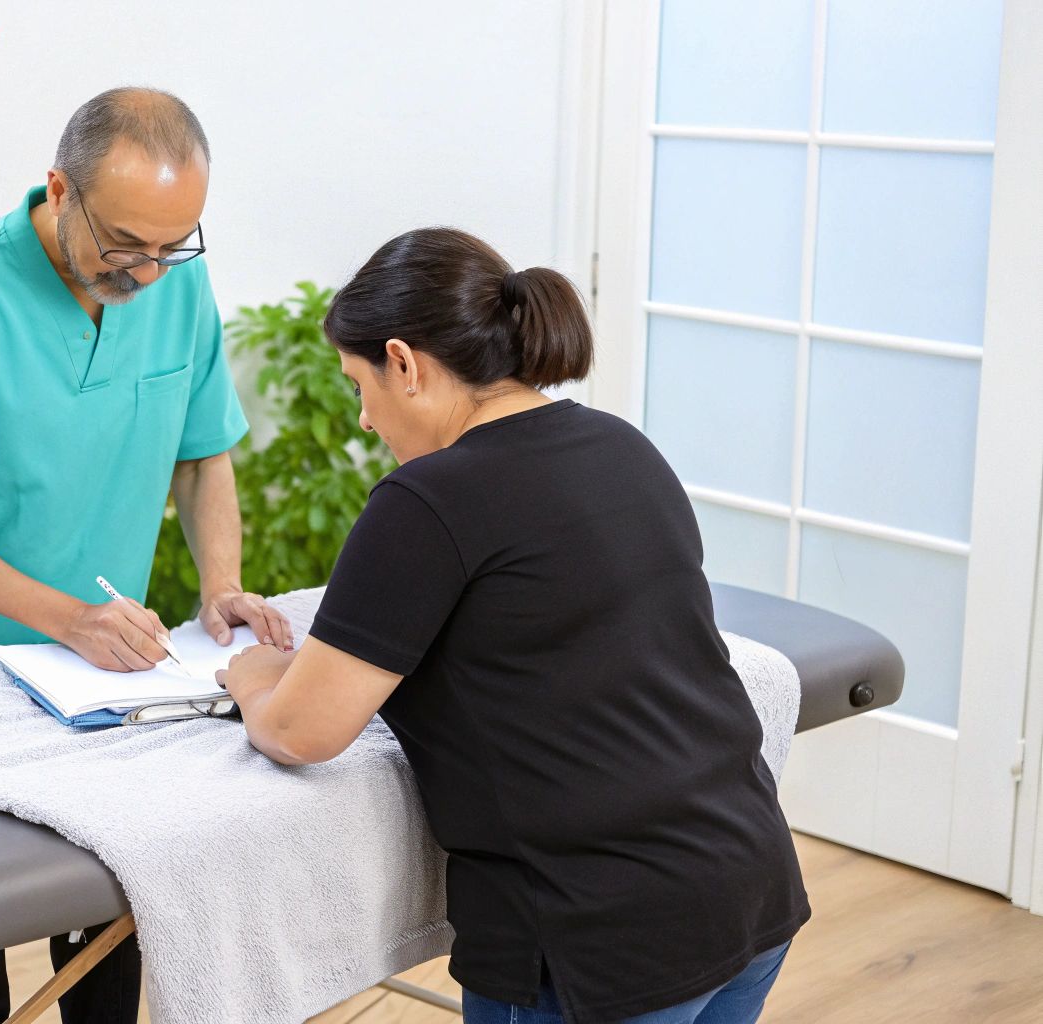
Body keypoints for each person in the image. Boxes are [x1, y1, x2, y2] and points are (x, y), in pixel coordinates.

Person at [217, 228, 808, 1024]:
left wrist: (255, 676)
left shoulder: (425, 502)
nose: (363, 419)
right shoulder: (622, 447)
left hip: (597, 946)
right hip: (750, 886)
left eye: (360, 384)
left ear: (405, 361)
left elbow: (302, 733)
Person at [0, 87, 292, 1024]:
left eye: (171, 247)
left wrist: (222, 586)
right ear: (60, 189)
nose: (145, 272)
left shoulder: (171, 280)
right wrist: (69, 619)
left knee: (105, 897)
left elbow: (203, 451)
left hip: (103, 671)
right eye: (125, 245)